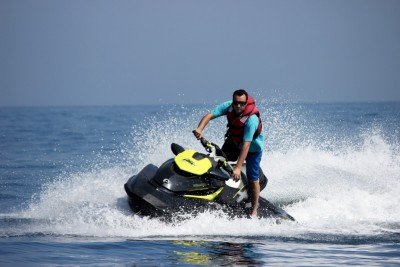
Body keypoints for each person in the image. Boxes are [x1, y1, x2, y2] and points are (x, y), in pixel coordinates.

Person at [193, 89, 265, 217]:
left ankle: (254, 210)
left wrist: (237, 168)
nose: (238, 106)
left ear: (246, 103)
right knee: (218, 162)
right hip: (234, 142)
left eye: (242, 103)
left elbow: (246, 146)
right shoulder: (229, 106)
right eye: (236, 102)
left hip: (252, 149)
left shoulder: (251, 119)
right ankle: (210, 191)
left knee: (253, 179)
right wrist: (200, 128)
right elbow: (210, 115)